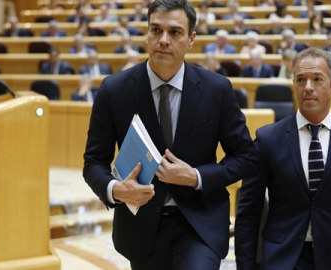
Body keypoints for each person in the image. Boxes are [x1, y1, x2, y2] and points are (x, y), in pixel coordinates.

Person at [82, 0, 257, 269]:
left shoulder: (217, 89)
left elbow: (245, 156)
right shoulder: (113, 91)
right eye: (156, 30)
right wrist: (117, 190)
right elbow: (94, 162)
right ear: (147, 34)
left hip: (200, 223)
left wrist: (197, 177)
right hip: (140, 227)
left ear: (191, 39)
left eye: (174, 32)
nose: (163, 40)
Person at [235, 47, 331, 270]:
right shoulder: (268, 139)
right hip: (282, 260)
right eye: (301, 80)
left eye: (317, 79)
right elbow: (248, 213)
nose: (308, 88)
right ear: (293, 83)